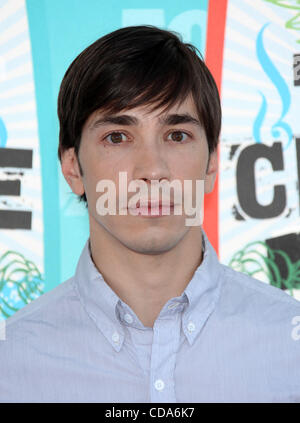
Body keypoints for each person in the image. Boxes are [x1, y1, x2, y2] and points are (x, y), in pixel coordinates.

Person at [1, 25, 300, 403]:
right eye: (117, 137)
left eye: (176, 135)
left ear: (211, 165)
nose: (152, 169)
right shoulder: (11, 361)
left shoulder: (290, 347)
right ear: (73, 168)